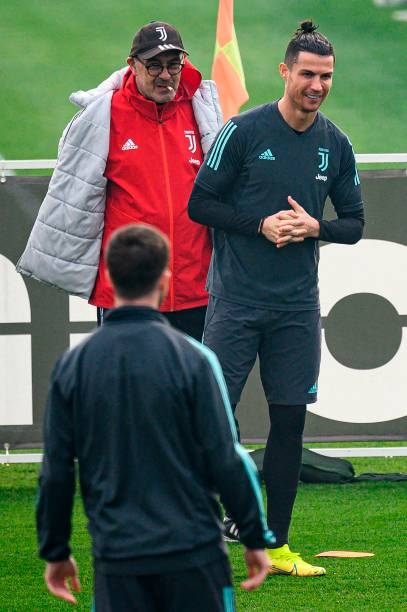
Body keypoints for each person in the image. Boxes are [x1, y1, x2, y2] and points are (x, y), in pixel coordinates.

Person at [188, 20, 364, 576]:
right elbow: (200, 205)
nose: (317, 85)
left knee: (290, 424)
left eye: (326, 76)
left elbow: (355, 223)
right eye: (308, 73)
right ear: (284, 71)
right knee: (215, 415)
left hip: (294, 309)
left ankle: (278, 545)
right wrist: (259, 224)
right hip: (235, 302)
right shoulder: (241, 131)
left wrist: (317, 228)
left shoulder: (335, 144)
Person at [36, 223, 273, 611]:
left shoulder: (73, 366)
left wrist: (56, 549)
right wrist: (252, 536)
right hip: (195, 555)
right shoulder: (195, 359)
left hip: (118, 561)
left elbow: (57, 470)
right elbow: (226, 457)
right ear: (165, 279)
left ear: (109, 277)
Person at [17, 21, 223, 340]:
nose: (165, 75)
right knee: (127, 389)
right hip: (129, 293)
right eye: (154, 65)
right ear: (133, 65)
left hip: (195, 289)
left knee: (191, 388)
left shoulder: (201, 107)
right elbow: (75, 194)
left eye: (173, 65)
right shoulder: (103, 115)